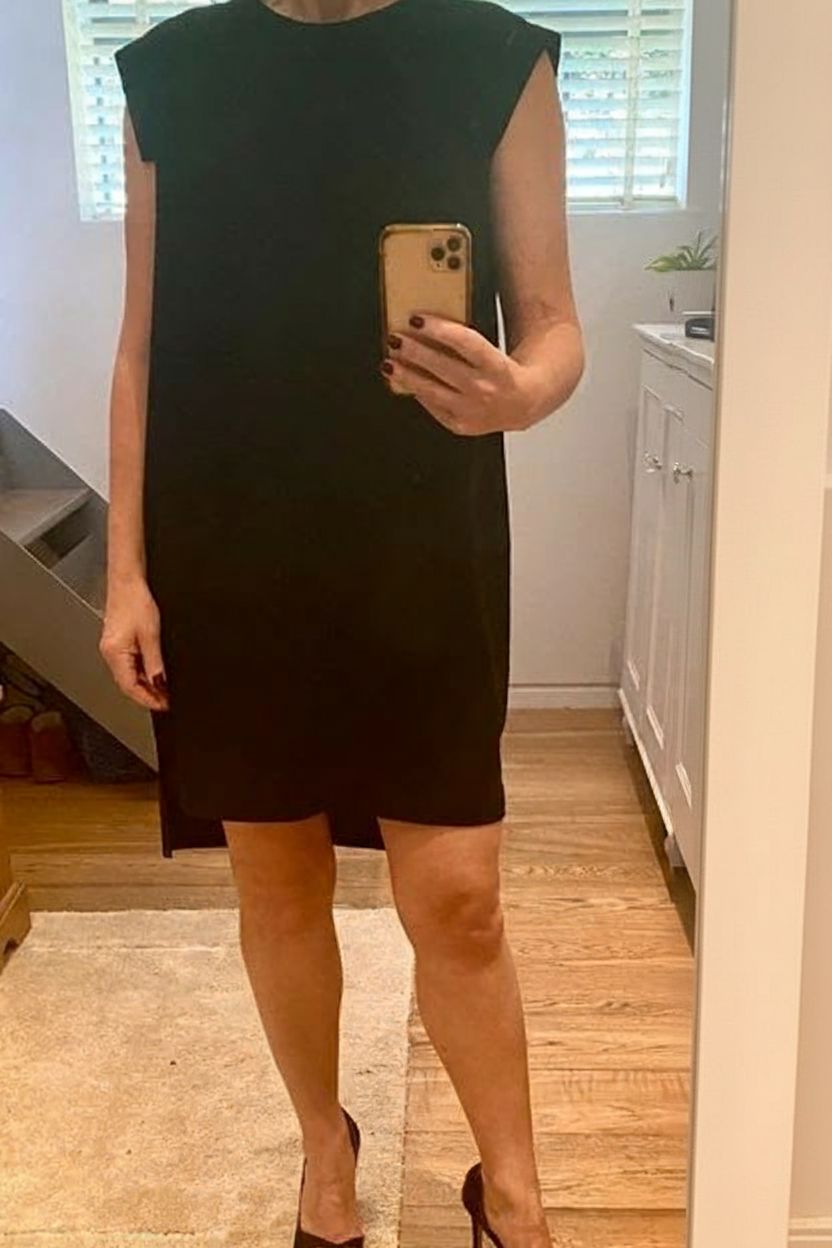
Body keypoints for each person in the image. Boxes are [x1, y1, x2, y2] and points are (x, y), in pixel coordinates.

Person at [102, 0, 584, 1244]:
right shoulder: (171, 71)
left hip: (422, 538)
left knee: (459, 895)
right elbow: (142, 346)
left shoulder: (493, 56)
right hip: (230, 539)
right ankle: (326, 1147)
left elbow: (553, 325)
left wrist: (521, 394)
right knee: (275, 877)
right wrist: (127, 572)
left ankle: (513, 1196)